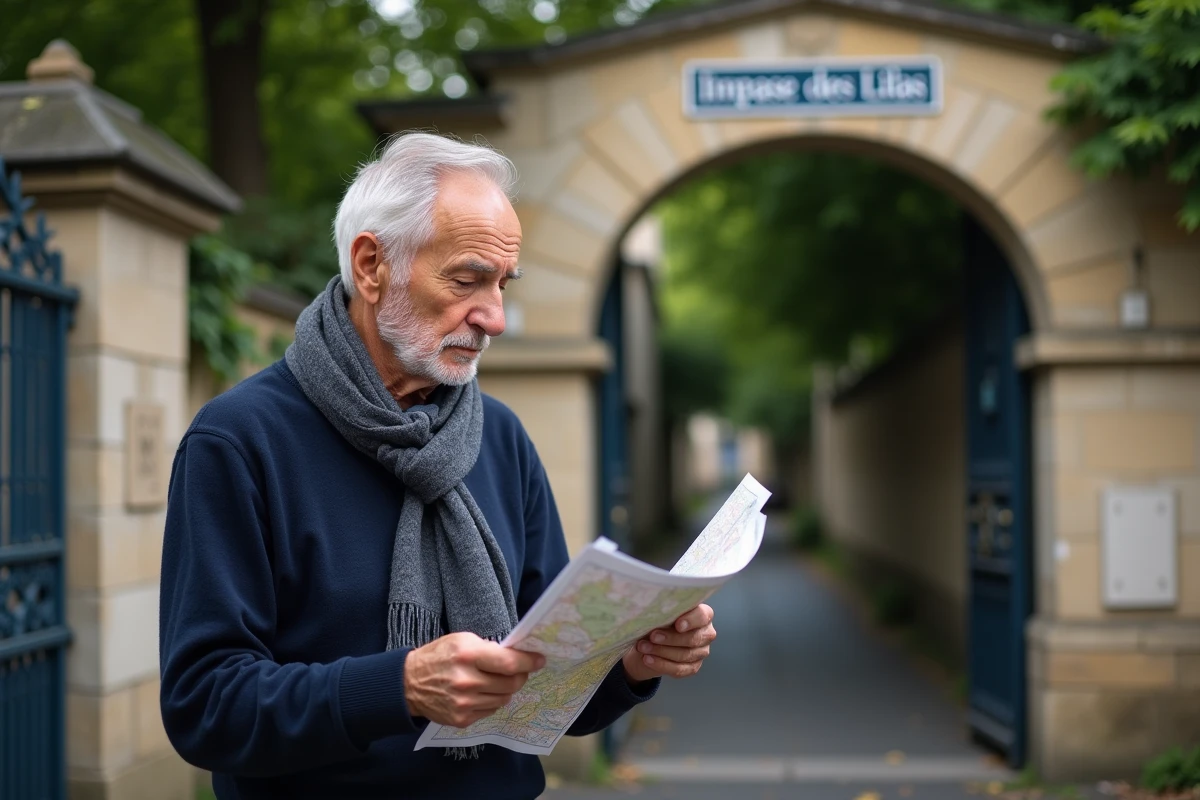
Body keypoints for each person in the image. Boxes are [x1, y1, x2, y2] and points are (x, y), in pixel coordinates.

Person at [158, 132, 718, 799]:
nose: (496, 318)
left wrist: (627, 661)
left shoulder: (501, 437)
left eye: (503, 284)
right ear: (372, 266)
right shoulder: (240, 440)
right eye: (466, 279)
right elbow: (204, 706)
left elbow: (546, 686)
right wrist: (396, 687)